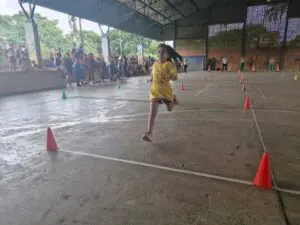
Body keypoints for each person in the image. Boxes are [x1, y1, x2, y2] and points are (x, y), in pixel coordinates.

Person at [142, 44, 179, 142]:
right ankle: (149, 133)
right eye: (159, 52)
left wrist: (173, 76)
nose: (161, 54)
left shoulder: (169, 64)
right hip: (155, 92)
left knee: (170, 109)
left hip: (166, 92)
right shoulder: (154, 64)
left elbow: (175, 76)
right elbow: (152, 76)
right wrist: (149, 79)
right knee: (152, 113)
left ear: (168, 55)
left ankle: (173, 98)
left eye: (163, 52)